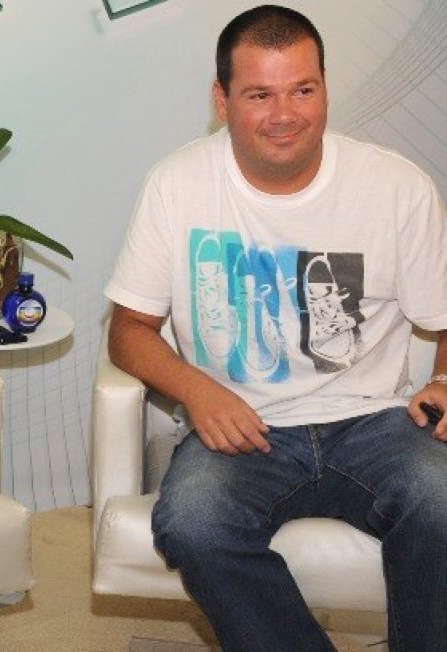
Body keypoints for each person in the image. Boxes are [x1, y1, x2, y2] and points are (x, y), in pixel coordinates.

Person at [105, 4, 447, 651]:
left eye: (303, 90)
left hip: (373, 420)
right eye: (260, 95)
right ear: (222, 100)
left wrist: (445, 381)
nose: (285, 114)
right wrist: (198, 391)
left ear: (325, 89)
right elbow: (129, 330)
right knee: (194, 524)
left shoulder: (397, 187)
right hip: (241, 424)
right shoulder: (177, 184)